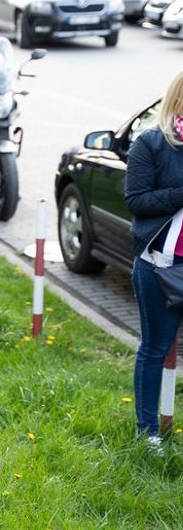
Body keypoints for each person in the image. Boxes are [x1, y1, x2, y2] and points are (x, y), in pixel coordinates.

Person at [124, 70, 183, 452]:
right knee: (156, 346)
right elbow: (137, 202)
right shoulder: (151, 144)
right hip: (161, 267)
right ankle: (148, 434)